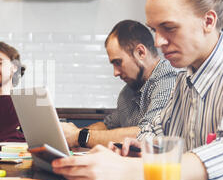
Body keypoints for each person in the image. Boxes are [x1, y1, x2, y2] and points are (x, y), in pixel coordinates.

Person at [52, 0, 223, 180]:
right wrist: (133, 148)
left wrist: (130, 171)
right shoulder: (184, 80)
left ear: (208, 22)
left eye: (169, 28)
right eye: (154, 30)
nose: (158, 42)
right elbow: (157, 132)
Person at [61, 20, 177, 148]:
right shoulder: (127, 93)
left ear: (141, 53)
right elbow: (108, 125)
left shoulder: (168, 81)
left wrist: (79, 136)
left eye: (118, 62)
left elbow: (146, 134)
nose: (115, 73)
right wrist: (70, 135)